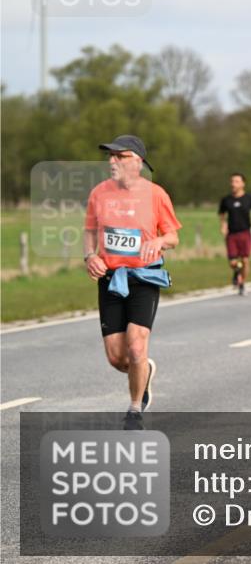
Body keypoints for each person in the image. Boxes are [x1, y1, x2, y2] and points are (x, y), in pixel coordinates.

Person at [83, 135, 181, 430]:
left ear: (137, 162)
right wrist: (90, 256)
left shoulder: (156, 195)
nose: (112, 161)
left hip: (144, 277)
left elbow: (173, 236)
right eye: (110, 157)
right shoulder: (99, 193)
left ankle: (135, 411)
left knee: (137, 348)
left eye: (119, 156)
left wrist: (161, 241)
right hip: (111, 280)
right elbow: (89, 231)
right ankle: (144, 371)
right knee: (118, 357)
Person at [218, 173, 251, 296]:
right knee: (233, 262)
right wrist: (223, 225)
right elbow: (221, 214)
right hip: (232, 234)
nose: (233, 184)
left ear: (243, 184)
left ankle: (242, 283)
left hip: (245, 233)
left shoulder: (249, 198)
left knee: (245, 260)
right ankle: (237, 272)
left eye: (237, 181)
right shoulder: (226, 200)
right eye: (232, 181)